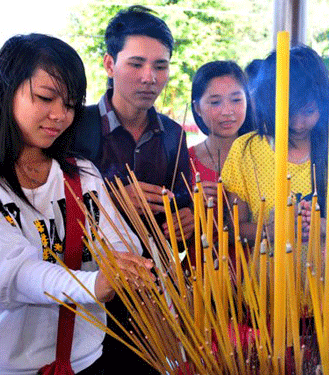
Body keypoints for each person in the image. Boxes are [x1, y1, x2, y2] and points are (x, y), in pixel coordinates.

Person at [0, 33, 149, 374]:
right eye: (46, 97)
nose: (59, 115)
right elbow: (17, 274)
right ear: (5, 92)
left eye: (69, 104)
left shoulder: (82, 174)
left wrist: (127, 266)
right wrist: (95, 284)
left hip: (87, 359)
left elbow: (118, 242)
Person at [71, 5, 192, 373]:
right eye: (136, 64)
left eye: (161, 66)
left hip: (151, 305)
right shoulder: (76, 127)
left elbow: (183, 212)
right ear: (109, 64)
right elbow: (48, 210)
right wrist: (107, 201)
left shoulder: (173, 134)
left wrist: (187, 220)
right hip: (86, 300)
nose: (149, 78)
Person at [222, 45, 329, 244]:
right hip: (267, 274)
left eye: (308, 112)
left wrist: (321, 225)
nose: (298, 124)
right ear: (271, 107)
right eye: (288, 113)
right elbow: (234, 228)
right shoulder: (246, 149)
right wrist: (275, 230)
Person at [189, 60, 255, 200]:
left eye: (236, 100)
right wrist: (190, 202)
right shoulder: (185, 162)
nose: (227, 111)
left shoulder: (264, 155)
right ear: (197, 108)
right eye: (215, 102)